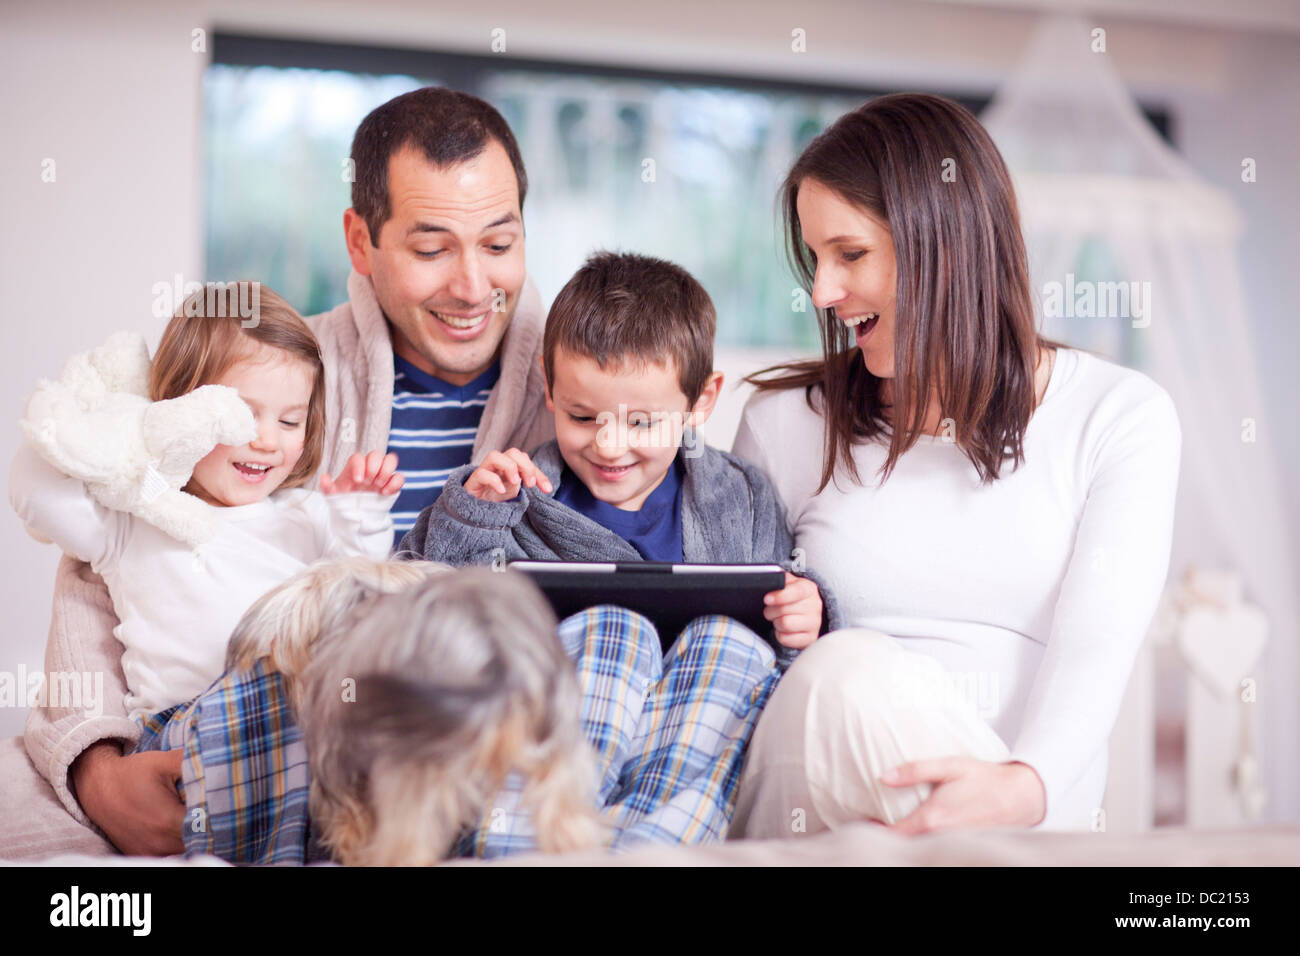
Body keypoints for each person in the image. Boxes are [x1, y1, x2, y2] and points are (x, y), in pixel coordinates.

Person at [3, 87, 556, 859]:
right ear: (360, 242)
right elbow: (110, 562)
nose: (471, 286)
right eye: (431, 250)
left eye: (499, 244)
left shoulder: (579, 392)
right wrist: (96, 773)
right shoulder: (275, 378)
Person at [726, 93, 1182, 838]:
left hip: (1022, 810)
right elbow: (736, 645)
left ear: (944, 242)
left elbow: (1097, 645)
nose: (821, 292)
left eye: (850, 254)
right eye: (815, 259)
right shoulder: (783, 424)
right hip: (816, 816)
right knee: (842, 675)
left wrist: (1022, 786)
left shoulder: (1119, 415)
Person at [400, 251, 843, 850]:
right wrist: (472, 515)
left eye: (641, 424)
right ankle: (530, 845)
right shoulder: (517, 495)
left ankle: (648, 850)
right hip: (554, 735)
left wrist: (804, 620)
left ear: (701, 402)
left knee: (733, 643)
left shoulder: (742, 499)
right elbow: (425, 608)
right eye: (583, 416)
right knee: (615, 628)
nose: (611, 446)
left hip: (692, 741)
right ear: (548, 388)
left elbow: (781, 650)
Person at [9, 286, 401, 735]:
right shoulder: (135, 517)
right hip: (184, 730)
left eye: (291, 421)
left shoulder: (306, 512)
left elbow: (357, 591)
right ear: (182, 408)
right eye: (242, 417)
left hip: (294, 717)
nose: (268, 441)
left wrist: (358, 514)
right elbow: (34, 491)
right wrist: (141, 432)